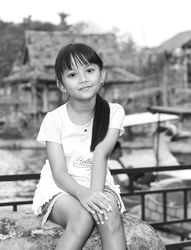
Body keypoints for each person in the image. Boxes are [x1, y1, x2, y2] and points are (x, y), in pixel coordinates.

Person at [32, 43, 126, 250]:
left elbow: (100, 154)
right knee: (82, 219)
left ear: (102, 75)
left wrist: (95, 196)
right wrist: (83, 194)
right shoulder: (54, 119)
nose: (83, 79)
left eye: (90, 71)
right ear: (62, 85)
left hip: (98, 182)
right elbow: (58, 172)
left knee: (107, 213)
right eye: (73, 75)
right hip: (61, 187)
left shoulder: (114, 111)